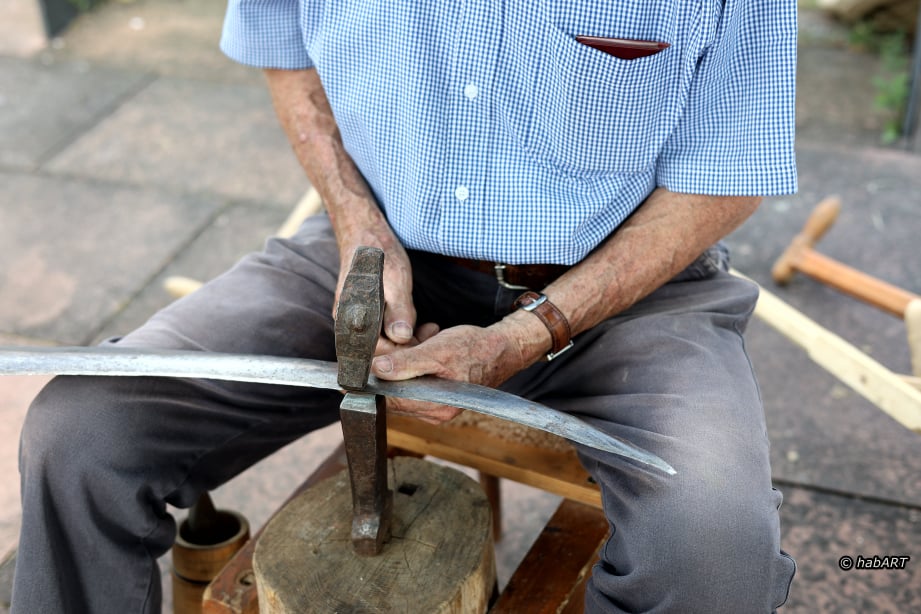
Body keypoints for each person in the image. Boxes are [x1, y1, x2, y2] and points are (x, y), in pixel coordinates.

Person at [13, 1, 799, 612]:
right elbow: (283, 49)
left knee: (712, 547)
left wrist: (530, 331)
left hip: (629, 285)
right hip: (371, 246)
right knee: (80, 433)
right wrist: (355, 219)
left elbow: (724, 173)